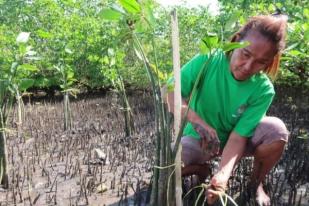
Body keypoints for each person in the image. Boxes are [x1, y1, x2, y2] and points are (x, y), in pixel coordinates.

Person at [164, 14, 289, 206]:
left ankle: (256, 183)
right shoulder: (209, 60)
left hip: (237, 141)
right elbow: (170, 92)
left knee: (277, 131)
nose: (248, 67)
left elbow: (238, 137)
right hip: (200, 140)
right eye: (245, 54)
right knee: (168, 169)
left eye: (261, 62)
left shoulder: (263, 89)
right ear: (236, 41)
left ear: (270, 61)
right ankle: (201, 170)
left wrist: (223, 175)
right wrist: (199, 123)